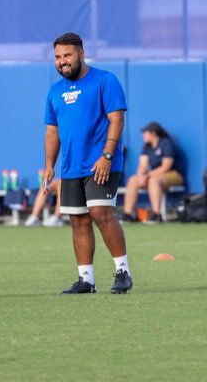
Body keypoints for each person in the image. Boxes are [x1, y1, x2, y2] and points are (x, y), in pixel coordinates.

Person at [43, 32, 132, 294]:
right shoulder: (55, 91)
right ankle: (86, 280)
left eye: (67, 55)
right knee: (78, 220)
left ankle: (123, 272)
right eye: (58, 57)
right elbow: (52, 131)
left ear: (81, 54)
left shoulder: (106, 80)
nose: (62, 61)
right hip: (71, 167)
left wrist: (106, 156)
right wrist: (49, 164)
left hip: (101, 163)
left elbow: (117, 119)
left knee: (101, 213)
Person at [121, 122, 184, 224]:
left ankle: (156, 214)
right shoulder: (147, 146)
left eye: (145, 133)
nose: (143, 136)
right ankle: (128, 214)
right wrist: (141, 175)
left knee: (153, 181)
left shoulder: (166, 143)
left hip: (174, 174)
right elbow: (142, 165)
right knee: (133, 180)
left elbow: (166, 167)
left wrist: (148, 175)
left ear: (153, 133)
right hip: (153, 175)